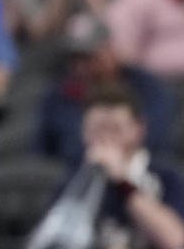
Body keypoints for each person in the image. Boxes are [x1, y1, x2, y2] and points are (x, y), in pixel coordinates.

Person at [37, 13, 174, 167]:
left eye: (90, 57)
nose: (82, 66)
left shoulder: (146, 85)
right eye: (75, 59)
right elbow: (42, 151)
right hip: (77, 175)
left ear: (110, 50)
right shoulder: (59, 95)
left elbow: (158, 138)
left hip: (142, 171)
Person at [65, 85, 184, 249]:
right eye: (97, 129)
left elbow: (175, 241)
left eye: (115, 129)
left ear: (138, 129)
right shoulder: (74, 180)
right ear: (83, 132)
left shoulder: (167, 177)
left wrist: (123, 182)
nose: (105, 138)